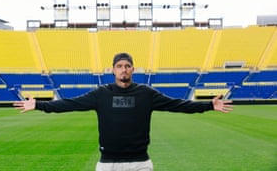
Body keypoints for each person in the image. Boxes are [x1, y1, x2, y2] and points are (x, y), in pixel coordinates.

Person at [13, 52, 233, 171]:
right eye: (120, 66)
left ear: (133, 69)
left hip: (140, 163)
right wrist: (39, 105)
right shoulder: (101, 94)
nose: (124, 69)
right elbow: (68, 104)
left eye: (127, 66)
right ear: (112, 70)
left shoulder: (146, 93)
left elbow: (178, 105)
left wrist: (209, 105)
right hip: (108, 163)